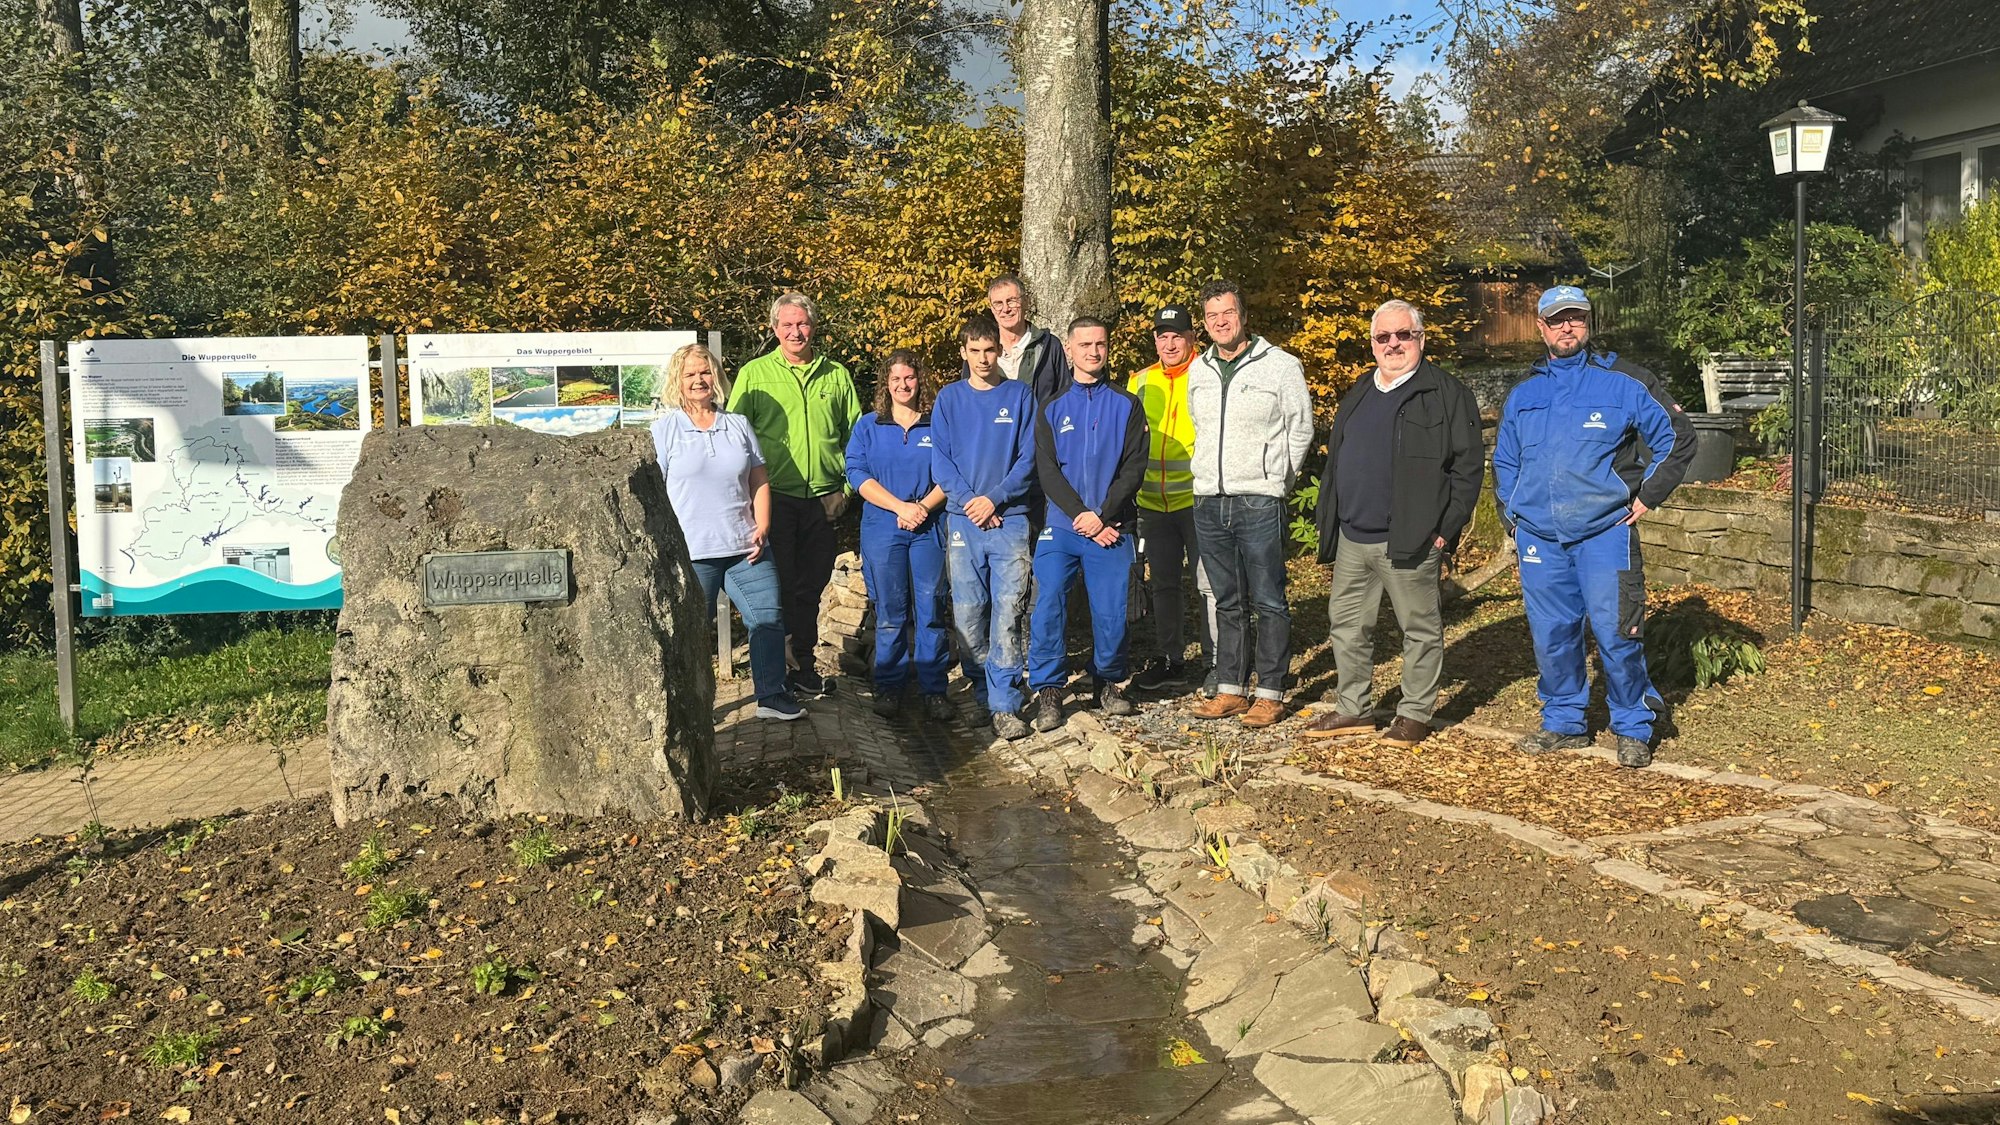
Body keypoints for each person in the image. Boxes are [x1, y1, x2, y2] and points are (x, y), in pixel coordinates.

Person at [1493, 285, 1697, 768]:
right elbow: (1504, 462)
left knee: (1618, 632)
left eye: (1577, 318)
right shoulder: (1525, 394)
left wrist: (1647, 496)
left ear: (1589, 323)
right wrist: (1514, 522)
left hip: (1606, 534)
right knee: (1552, 634)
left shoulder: (1624, 382)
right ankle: (1564, 723)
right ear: (1541, 328)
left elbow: (1678, 438)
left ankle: (1632, 725)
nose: (1568, 327)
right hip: (1540, 537)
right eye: (1558, 319)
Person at [1303, 300, 1484, 749]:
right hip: (1353, 536)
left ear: (1421, 338)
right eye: (1383, 337)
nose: (1393, 344)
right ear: (1372, 343)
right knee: (1346, 627)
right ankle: (1354, 708)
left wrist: (1444, 529)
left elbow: (1467, 470)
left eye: (1403, 335)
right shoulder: (1362, 389)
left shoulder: (1445, 393)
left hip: (1410, 538)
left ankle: (1415, 713)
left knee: (1419, 629)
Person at [1186, 280, 1315, 729]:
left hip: (1259, 500)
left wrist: (1277, 480)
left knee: (1268, 599)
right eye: (1211, 316)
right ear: (1204, 324)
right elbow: (1200, 429)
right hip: (1208, 500)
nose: (1220, 322)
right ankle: (1230, 689)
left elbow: (1301, 429)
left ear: (1243, 316)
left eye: (1228, 313)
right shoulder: (1198, 370)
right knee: (1227, 599)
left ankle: (1271, 692)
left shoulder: (1280, 366)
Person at [651, 344, 802, 722]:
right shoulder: (665, 430)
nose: (699, 380)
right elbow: (654, 493)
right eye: (690, 375)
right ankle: (691, 707)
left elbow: (760, 480)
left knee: (767, 620)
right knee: (689, 633)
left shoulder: (737, 424)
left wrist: (763, 525)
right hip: (692, 552)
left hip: (745, 546)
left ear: (715, 376)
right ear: (677, 381)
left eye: (705, 372)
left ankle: (771, 697)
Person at [726, 292, 862, 699]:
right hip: (774, 498)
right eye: (787, 325)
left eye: (802, 324)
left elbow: (857, 437)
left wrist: (846, 489)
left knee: (812, 587)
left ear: (813, 327)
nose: (795, 331)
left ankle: (803, 665)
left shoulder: (836, 374)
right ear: (774, 330)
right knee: (776, 586)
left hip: (824, 500)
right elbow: (735, 439)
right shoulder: (754, 374)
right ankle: (774, 668)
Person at [1027, 317, 1148, 731]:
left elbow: (1134, 467)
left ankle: (1109, 683)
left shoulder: (1127, 404)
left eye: (1100, 344)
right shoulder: (1052, 406)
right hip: (1062, 526)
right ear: (1069, 350)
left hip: (1112, 526)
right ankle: (1048, 691)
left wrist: (1103, 516)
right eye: (1085, 344)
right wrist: (1082, 515)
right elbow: (1047, 470)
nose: (1093, 351)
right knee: (1048, 604)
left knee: (1113, 612)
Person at [932, 313, 1040, 740]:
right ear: (963, 353)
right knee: (969, 613)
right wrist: (972, 503)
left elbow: (1028, 458)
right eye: (973, 351)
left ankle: (1005, 703)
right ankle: (980, 692)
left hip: (1009, 521)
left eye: (989, 350)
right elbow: (941, 462)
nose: (982, 358)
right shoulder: (949, 399)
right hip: (964, 522)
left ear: (1000, 351)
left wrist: (994, 499)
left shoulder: (1019, 396)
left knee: (1008, 614)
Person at [844, 351, 954, 723]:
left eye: (909, 378)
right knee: (890, 613)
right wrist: (899, 508)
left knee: (931, 610)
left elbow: (952, 473)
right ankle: (888, 686)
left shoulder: (936, 424)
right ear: (885, 384)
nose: (903, 385)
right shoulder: (869, 426)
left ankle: (934, 690)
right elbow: (857, 474)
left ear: (919, 380)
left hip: (928, 526)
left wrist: (921, 507)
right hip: (883, 526)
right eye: (896, 379)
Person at [1128, 303, 1217, 693]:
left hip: (1197, 500)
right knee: (1164, 584)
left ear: (1191, 339)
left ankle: (1219, 664)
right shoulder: (1140, 381)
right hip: (1151, 501)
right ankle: (1171, 658)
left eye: (1176, 336)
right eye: (1162, 336)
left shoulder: (1208, 373)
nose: (1169, 343)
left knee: (1209, 584)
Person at [987, 274, 1071, 403]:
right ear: (992, 309)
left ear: (1025, 302)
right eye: (998, 303)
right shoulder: (979, 349)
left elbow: (1065, 398)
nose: (1006, 309)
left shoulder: (1049, 346)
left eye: (1011, 301)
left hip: (1040, 423)